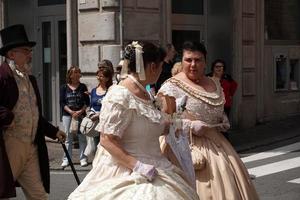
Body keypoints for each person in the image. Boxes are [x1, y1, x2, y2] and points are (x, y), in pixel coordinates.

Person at [68, 41, 199, 200]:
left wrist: (177, 120)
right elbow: (107, 139)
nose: (161, 70)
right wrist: (138, 166)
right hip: (126, 171)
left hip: (158, 164)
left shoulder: (146, 93)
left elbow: (149, 126)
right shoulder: (119, 95)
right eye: (160, 66)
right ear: (152, 67)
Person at [158, 41, 259, 200]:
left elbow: (216, 110)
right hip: (184, 146)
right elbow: (164, 122)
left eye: (198, 60)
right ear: (181, 60)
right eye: (188, 60)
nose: (193, 64)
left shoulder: (214, 82)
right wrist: (189, 125)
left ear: (205, 62)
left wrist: (223, 120)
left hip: (217, 145)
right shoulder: (171, 86)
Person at [0, 24, 66, 199]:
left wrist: (53, 131)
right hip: (9, 145)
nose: (30, 54)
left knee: (38, 195)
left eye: (30, 50)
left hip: (31, 146)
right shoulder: (2, 76)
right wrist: (8, 117)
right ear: (11, 54)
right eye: (25, 50)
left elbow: (34, 113)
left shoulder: (30, 79)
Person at [60, 66, 90, 168]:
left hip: (81, 115)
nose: (77, 74)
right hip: (68, 116)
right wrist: (71, 112)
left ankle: (83, 158)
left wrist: (80, 111)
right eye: (75, 72)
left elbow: (87, 102)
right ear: (70, 75)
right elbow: (62, 103)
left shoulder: (83, 87)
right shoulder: (64, 87)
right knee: (68, 137)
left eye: (78, 72)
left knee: (82, 137)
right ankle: (66, 159)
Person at [85, 60, 114, 154]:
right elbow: (91, 105)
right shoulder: (94, 89)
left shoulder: (112, 88)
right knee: (96, 148)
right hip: (95, 123)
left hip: (107, 123)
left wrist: (100, 114)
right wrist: (90, 113)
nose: (100, 70)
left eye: (102, 68)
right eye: (99, 68)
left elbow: (112, 107)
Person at [207, 59, 238, 140]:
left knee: (224, 124)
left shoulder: (227, 77)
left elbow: (234, 85)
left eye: (221, 66)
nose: (219, 68)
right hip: (213, 104)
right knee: (215, 124)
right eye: (217, 66)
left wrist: (230, 95)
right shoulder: (208, 77)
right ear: (213, 68)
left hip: (225, 105)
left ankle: (225, 142)